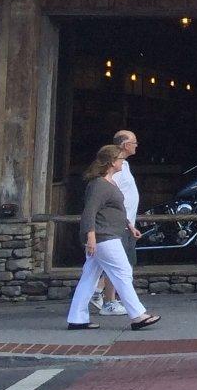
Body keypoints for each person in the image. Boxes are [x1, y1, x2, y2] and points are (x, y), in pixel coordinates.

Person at [65, 145, 158, 331]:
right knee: (123, 272)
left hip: (109, 234)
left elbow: (114, 209)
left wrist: (129, 225)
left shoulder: (109, 182)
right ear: (112, 162)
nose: (123, 162)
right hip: (104, 236)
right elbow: (90, 212)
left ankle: (77, 318)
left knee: (89, 277)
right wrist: (90, 236)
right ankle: (138, 315)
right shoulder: (99, 184)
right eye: (121, 160)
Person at [94, 129, 142, 316]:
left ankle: (97, 292)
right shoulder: (114, 169)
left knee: (116, 264)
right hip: (117, 224)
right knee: (120, 265)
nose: (136, 145)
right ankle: (110, 301)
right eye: (134, 142)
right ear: (124, 145)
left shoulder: (124, 166)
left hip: (126, 222)